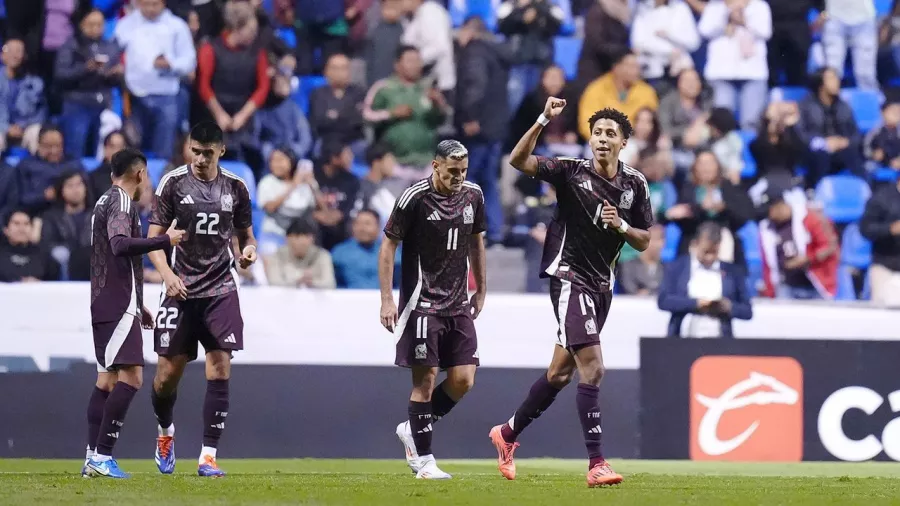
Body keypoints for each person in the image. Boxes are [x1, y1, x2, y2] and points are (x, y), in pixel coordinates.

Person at [490, 98, 654, 487]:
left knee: (560, 374)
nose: (601, 139)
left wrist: (623, 229)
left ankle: (507, 433)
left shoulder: (635, 184)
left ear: (624, 142)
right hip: (568, 277)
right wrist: (544, 118)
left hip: (602, 285)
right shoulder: (569, 172)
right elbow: (518, 160)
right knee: (593, 368)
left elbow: (645, 239)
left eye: (610, 134)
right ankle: (597, 463)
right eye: (596, 133)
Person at [147, 122, 257, 477]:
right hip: (180, 289)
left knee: (220, 365)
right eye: (195, 151)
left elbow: (245, 236)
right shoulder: (173, 183)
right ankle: (165, 433)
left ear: (221, 151)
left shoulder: (236, 188)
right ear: (189, 149)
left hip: (221, 288)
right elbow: (153, 240)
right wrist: (167, 276)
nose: (200, 158)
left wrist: (247, 253)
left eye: (208, 152)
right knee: (165, 378)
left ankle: (208, 455)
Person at [378, 140, 487, 480]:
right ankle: (423, 461)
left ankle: (413, 429)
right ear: (436, 165)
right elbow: (388, 247)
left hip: (457, 302)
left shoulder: (473, 196)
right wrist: (386, 298)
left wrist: (481, 286)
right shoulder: (414, 198)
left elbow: (476, 240)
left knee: (464, 379)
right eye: (452, 170)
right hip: (422, 302)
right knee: (425, 379)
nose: (458, 177)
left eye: (463, 171)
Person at [82, 148, 186, 478]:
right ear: (139, 174)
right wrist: (164, 241)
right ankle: (102, 455)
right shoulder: (122, 202)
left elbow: (113, 258)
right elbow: (119, 245)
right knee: (132, 378)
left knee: (106, 379)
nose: (149, 182)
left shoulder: (103, 201)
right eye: (148, 176)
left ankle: (91, 457)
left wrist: (138, 303)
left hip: (109, 298)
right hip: (116, 302)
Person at [657, 221, 752, 337]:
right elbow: (663, 301)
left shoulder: (732, 272)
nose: (710, 258)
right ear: (695, 244)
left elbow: (747, 311)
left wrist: (727, 306)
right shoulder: (676, 267)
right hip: (682, 337)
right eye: (706, 252)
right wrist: (696, 303)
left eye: (714, 252)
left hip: (720, 338)